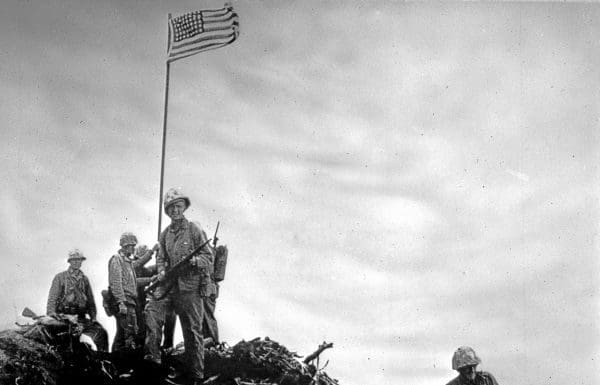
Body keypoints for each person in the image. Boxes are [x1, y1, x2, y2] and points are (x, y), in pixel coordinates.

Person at [144, 188, 215, 385]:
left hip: (190, 288)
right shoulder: (165, 234)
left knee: (192, 331)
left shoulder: (194, 230)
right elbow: (161, 258)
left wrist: (193, 262)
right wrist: (160, 270)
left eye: (178, 206)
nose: (175, 210)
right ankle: (154, 365)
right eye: (171, 208)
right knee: (152, 314)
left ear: (184, 207)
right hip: (170, 287)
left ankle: (195, 375)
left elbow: (208, 258)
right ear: (167, 211)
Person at [108, 232, 145, 352]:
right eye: (132, 246)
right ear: (125, 246)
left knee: (127, 332)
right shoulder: (117, 260)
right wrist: (121, 302)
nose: (134, 248)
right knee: (126, 333)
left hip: (131, 301)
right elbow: (116, 282)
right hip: (125, 301)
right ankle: (117, 362)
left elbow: (131, 283)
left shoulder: (127, 262)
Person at [47, 248, 97, 321]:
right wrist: (51, 313)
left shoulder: (84, 279)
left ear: (81, 261)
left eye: (79, 260)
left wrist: (93, 317)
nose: (76, 262)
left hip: (80, 317)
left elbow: (90, 300)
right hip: (63, 317)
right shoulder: (60, 277)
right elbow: (53, 297)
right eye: (74, 260)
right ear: (70, 261)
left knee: (99, 331)